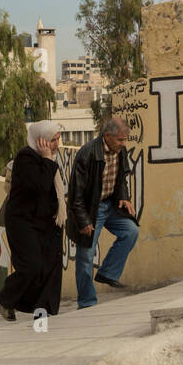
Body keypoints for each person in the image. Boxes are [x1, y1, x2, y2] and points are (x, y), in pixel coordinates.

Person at [0, 120, 66, 322]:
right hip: (22, 222)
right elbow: (41, 185)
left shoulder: (47, 159)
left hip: (45, 222)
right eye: (53, 140)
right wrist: (47, 159)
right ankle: (6, 298)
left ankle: (43, 310)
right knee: (31, 266)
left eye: (58, 139)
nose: (56, 145)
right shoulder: (26, 158)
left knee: (50, 265)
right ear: (40, 140)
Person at [66, 116, 137, 309]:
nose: (123, 144)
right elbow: (76, 193)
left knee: (131, 231)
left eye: (125, 140)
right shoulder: (87, 153)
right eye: (120, 140)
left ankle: (108, 273)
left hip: (110, 206)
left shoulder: (119, 152)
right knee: (86, 256)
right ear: (107, 135)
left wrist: (124, 196)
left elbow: (121, 177)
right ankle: (87, 302)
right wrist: (83, 221)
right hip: (90, 210)